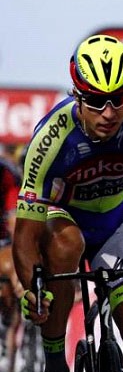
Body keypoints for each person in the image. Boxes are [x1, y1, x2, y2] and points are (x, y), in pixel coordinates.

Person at [13, 34, 123, 372]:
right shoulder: (51, 136)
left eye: (119, 98)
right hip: (62, 219)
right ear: (77, 96)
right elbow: (25, 230)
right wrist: (33, 289)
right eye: (96, 101)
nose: (109, 112)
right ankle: (55, 360)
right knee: (68, 242)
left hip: (116, 220)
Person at [0, 156, 22, 372]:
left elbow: (15, 221)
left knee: (10, 266)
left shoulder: (7, 173)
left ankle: (8, 324)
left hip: (4, 239)